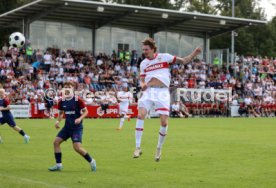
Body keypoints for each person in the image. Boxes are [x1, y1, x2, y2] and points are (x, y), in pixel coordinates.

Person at [133, 37, 201, 161]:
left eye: (146, 49)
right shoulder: (143, 63)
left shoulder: (165, 57)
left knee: (164, 122)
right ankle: (137, 147)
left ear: (153, 49)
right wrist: (142, 84)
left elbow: (184, 61)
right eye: (143, 49)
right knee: (140, 115)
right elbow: (142, 78)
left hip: (162, 91)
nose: (144, 51)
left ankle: (159, 148)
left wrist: (194, 54)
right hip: (149, 91)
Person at [48, 82, 96, 172]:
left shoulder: (78, 100)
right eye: (65, 87)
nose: (67, 88)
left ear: (73, 88)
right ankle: (58, 165)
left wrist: (79, 118)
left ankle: (92, 161)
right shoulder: (61, 101)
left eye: (69, 87)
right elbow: (61, 113)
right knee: (56, 142)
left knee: (77, 147)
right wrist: (58, 121)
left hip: (76, 128)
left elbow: (86, 112)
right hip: (67, 127)